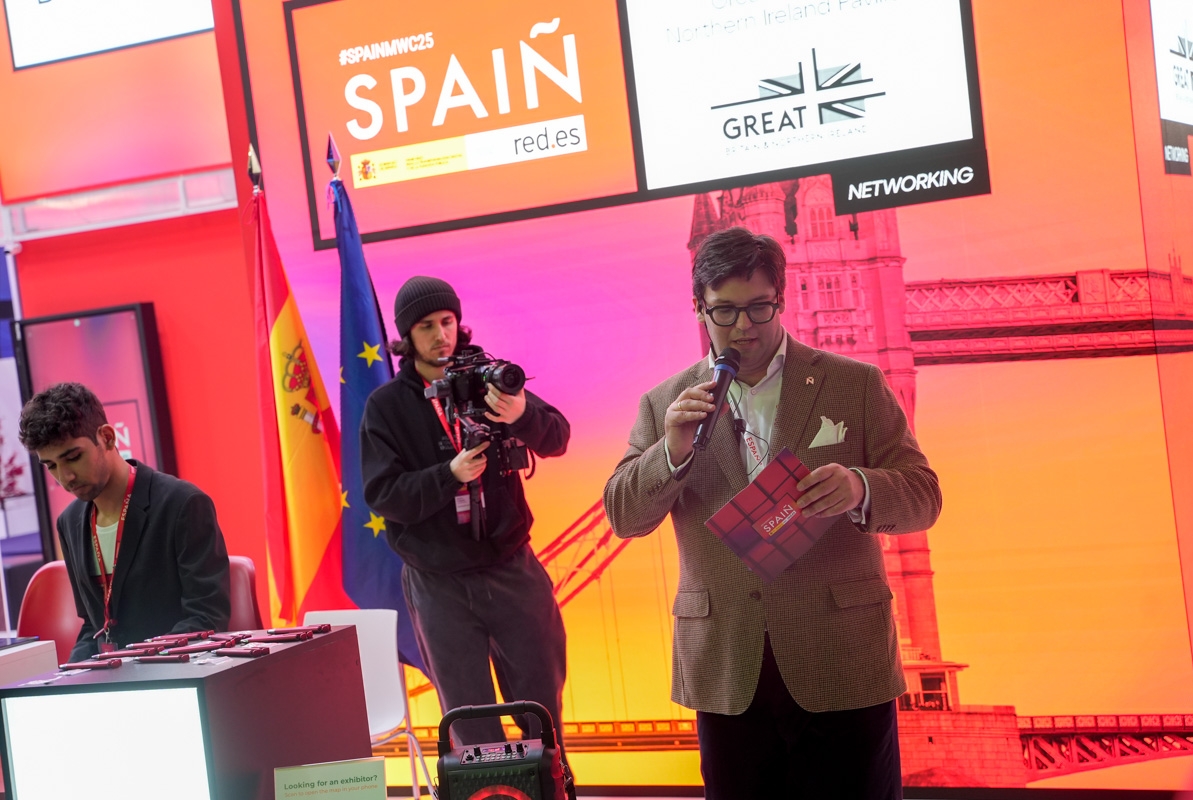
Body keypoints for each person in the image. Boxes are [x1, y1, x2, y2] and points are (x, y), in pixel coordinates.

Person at [603, 227, 942, 799]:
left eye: (759, 307)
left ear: (781, 299)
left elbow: (924, 495)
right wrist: (671, 452)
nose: (744, 326)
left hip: (842, 657)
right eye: (725, 311)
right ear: (698, 307)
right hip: (727, 666)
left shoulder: (855, 384)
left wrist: (860, 487)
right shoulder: (665, 403)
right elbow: (624, 516)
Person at [361, 276, 571, 747]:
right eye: (426, 326)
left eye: (447, 321)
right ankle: (488, 787)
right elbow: (384, 494)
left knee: (543, 714)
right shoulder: (386, 406)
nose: (441, 335)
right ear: (406, 336)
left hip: (511, 565)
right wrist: (448, 475)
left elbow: (557, 437)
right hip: (439, 581)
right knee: (471, 729)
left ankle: (553, 781)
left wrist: (521, 415)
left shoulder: (490, 379)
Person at [18, 382, 230, 661]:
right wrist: (68, 676)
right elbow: (94, 626)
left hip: (177, 671)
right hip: (115, 676)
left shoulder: (182, 504)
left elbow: (206, 616)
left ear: (107, 437)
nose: (65, 477)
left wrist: (138, 666)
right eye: (51, 466)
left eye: (74, 457)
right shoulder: (69, 522)